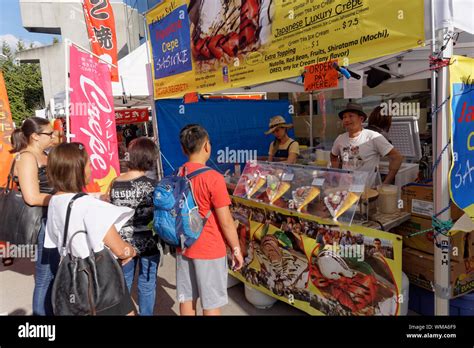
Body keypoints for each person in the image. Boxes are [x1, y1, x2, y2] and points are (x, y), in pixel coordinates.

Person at [44, 142, 137, 315]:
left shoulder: (54, 201)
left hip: (71, 277)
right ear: (77, 170)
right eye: (88, 163)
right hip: (101, 279)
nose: (92, 167)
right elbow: (120, 249)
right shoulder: (88, 205)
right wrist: (130, 251)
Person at [177, 124, 243, 316]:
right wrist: (236, 248)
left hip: (183, 245)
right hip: (209, 247)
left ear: (183, 149)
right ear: (207, 146)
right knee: (211, 302)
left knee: (187, 298)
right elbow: (226, 221)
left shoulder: (178, 173)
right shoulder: (213, 178)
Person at [107, 137, 160, 316]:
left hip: (121, 245)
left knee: (123, 286)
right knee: (147, 284)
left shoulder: (115, 183)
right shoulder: (153, 186)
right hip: (148, 243)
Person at [9, 117, 56, 314]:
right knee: (45, 277)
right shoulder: (26, 157)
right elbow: (31, 197)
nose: (53, 137)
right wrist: (63, 200)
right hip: (40, 222)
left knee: (53, 273)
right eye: (49, 134)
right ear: (36, 136)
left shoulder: (44, 155)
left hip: (51, 218)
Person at [330, 102, 403, 187]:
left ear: (361, 119)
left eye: (350, 116)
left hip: (367, 191)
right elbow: (333, 156)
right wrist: (337, 174)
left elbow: (397, 157)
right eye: (344, 117)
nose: (346, 120)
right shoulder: (340, 139)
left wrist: (385, 184)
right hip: (345, 189)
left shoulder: (373, 137)